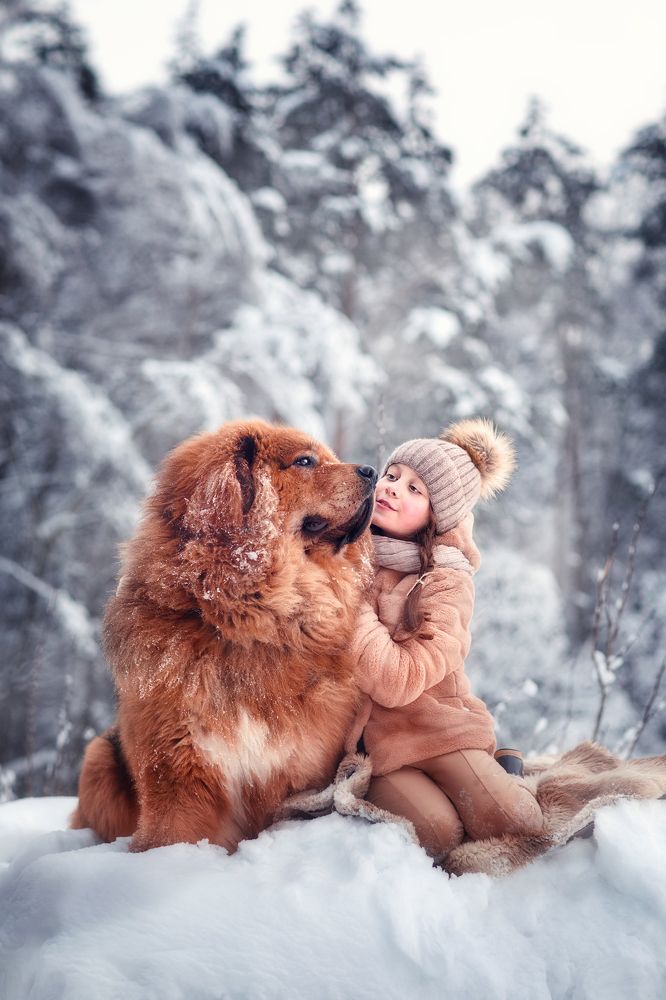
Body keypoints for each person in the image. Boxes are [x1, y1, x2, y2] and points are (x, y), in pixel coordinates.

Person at [346, 418, 544, 863]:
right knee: (437, 833)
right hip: (377, 748)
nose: (393, 488)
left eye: (416, 489)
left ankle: (505, 769)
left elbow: (401, 679)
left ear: (438, 515)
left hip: (442, 729)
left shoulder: (446, 579)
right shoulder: (345, 551)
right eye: (393, 476)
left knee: (519, 826)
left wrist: (348, 607)